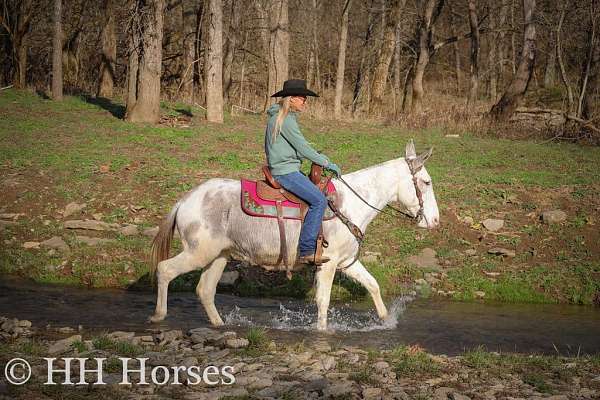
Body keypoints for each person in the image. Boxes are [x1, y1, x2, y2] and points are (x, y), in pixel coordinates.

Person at [264, 79, 341, 266]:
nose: (305, 101)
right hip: (286, 172)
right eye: (302, 97)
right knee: (319, 200)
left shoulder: (280, 118)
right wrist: (327, 163)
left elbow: (297, 149)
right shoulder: (286, 120)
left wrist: (314, 156)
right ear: (292, 99)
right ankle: (306, 250)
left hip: (284, 167)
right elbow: (303, 148)